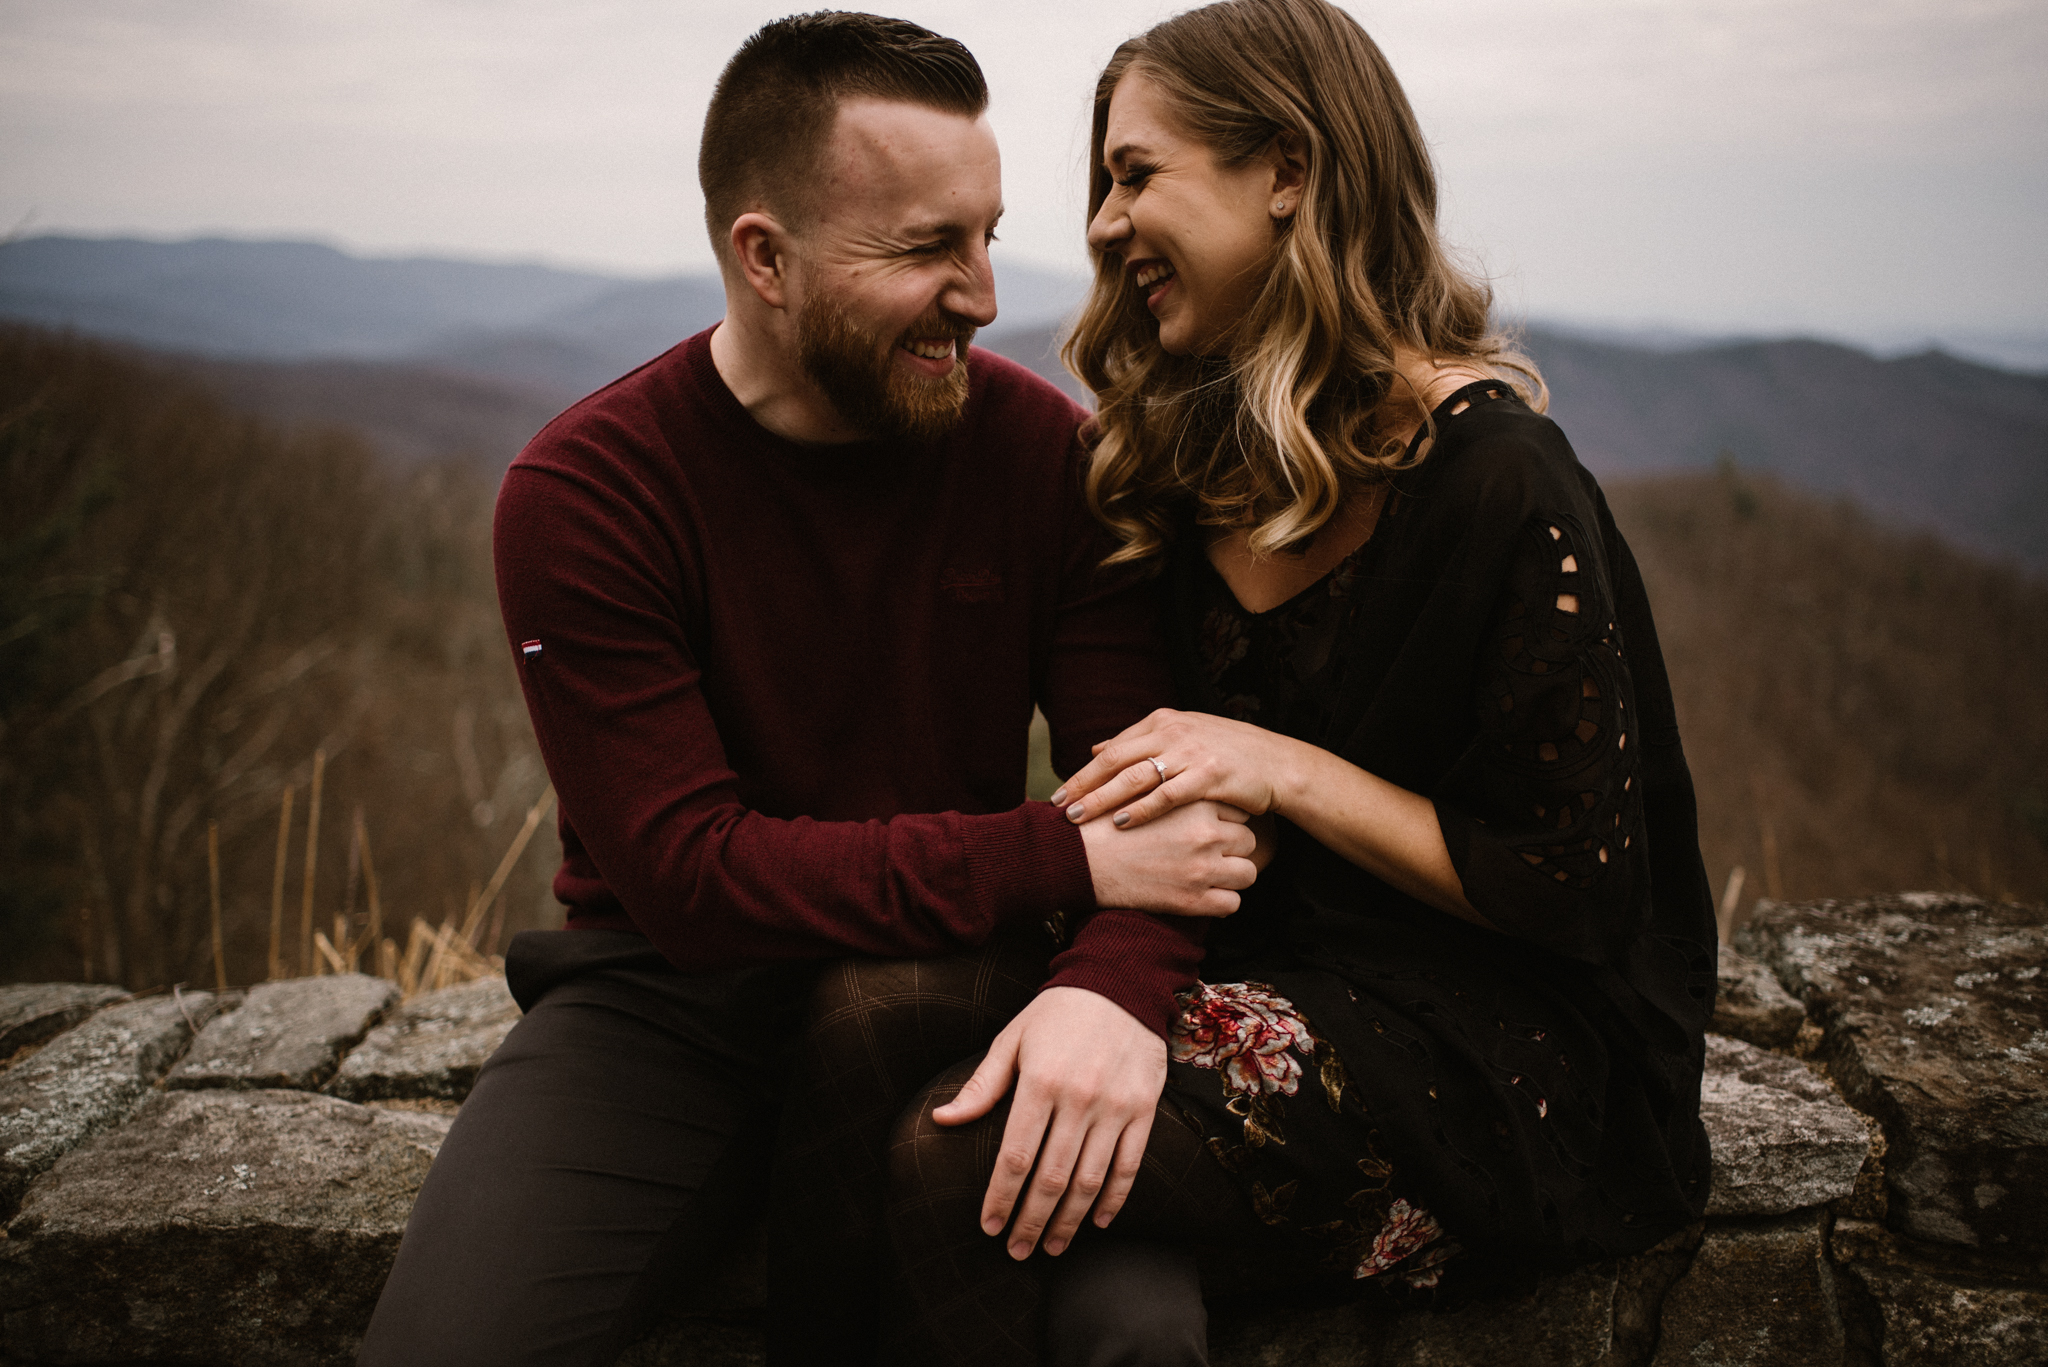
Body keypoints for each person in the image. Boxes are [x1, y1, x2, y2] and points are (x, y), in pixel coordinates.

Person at [813, 1, 1718, 1361]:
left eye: (1136, 175)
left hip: (1494, 1051)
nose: (1105, 226)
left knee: (961, 1155)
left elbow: (1576, 893)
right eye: (1102, 187)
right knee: (866, 1013)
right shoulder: (1185, 446)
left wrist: (1283, 768)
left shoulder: (1496, 486)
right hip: (1247, 970)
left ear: (1288, 171)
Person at [356, 14, 1260, 1366]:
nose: (983, 296)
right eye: (923, 251)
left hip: (965, 982)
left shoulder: (1041, 460)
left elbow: (1154, 817)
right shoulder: (591, 493)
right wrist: (1061, 851)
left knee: (1133, 1338)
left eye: (988, 238)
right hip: (669, 1006)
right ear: (764, 258)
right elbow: (692, 877)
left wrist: (1116, 991)